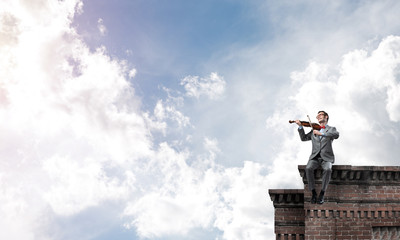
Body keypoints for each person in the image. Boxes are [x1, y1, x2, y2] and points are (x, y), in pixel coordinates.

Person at [295, 111, 339, 204]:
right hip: (315, 157)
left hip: (326, 157)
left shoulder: (331, 129)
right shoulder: (313, 130)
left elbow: (336, 135)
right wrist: (300, 126)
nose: (318, 117)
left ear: (326, 117)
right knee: (308, 168)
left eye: (320, 115)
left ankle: (322, 193)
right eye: (317, 116)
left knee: (327, 169)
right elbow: (303, 138)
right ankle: (313, 192)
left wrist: (322, 134)